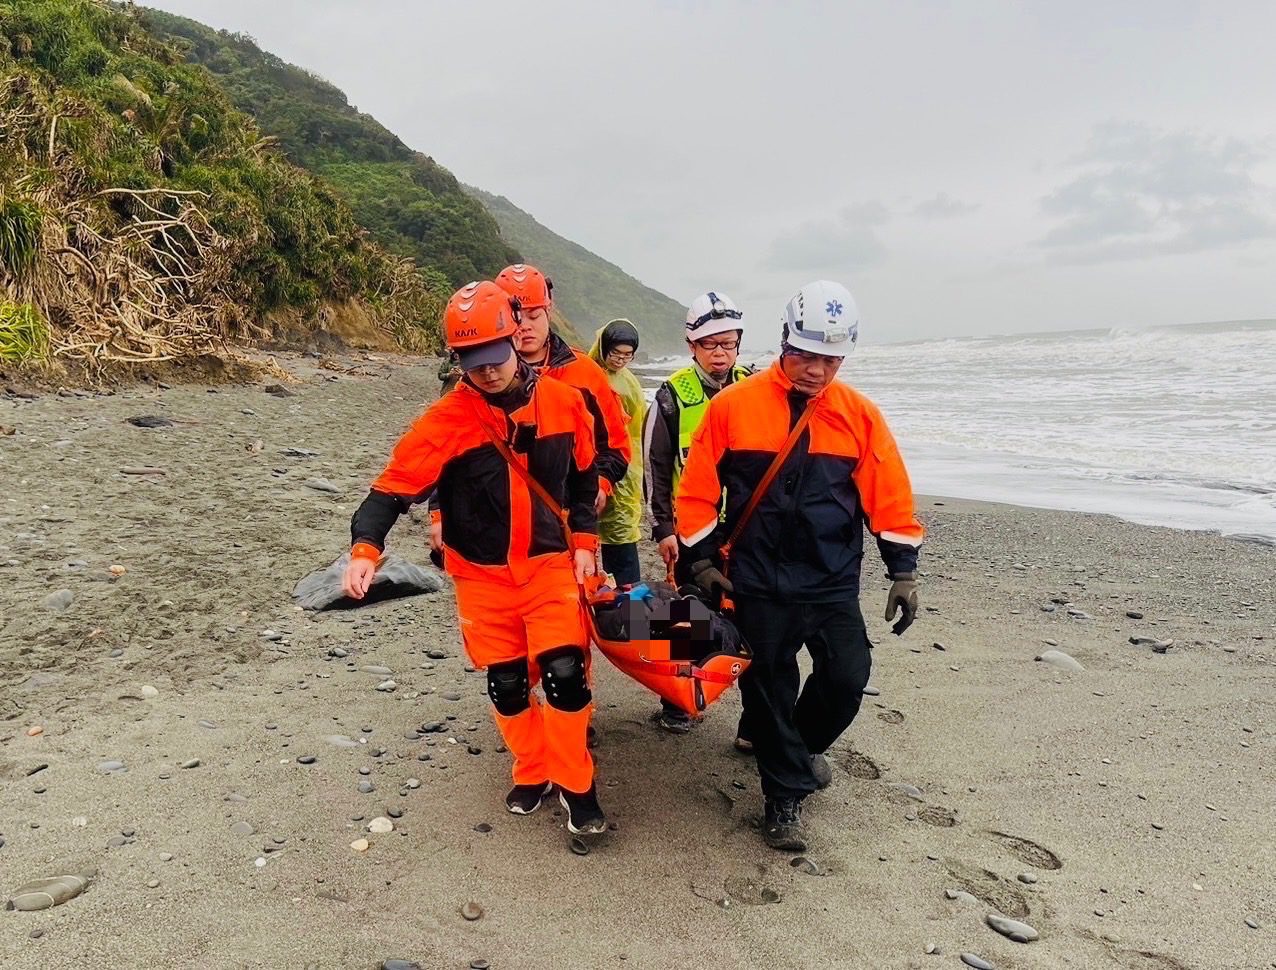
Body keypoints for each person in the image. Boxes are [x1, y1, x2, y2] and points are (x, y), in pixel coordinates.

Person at [343, 280, 608, 835]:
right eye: (472, 361)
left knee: (565, 674)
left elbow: (586, 479)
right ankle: (532, 768)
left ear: (517, 340)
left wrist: (585, 542)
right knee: (508, 682)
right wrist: (366, 549)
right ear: (457, 359)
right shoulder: (447, 419)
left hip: (549, 566)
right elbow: (391, 490)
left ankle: (576, 783)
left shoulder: (565, 403)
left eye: (494, 357)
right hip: (482, 577)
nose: (487, 372)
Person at [675, 280, 924, 852]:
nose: (816, 369)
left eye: (830, 358)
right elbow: (696, 493)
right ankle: (783, 796)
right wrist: (702, 561)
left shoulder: (860, 416)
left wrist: (903, 570)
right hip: (756, 578)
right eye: (807, 354)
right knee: (768, 689)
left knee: (846, 678)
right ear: (785, 340)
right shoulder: (732, 407)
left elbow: (888, 495)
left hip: (831, 578)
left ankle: (793, 751)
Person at [641, 290, 753, 733]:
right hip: (692, 532)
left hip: (746, 531)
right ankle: (678, 704)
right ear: (692, 346)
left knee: (753, 620)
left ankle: (753, 722)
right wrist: (663, 528)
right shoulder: (671, 397)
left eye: (728, 342)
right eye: (710, 344)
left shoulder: (756, 385)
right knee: (685, 617)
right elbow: (655, 467)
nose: (721, 353)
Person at [494, 264, 632, 516]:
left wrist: (600, 484)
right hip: (499, 510)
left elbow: (615, 444)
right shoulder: (487, 374)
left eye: (534, 316)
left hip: (566, 512)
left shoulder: (585, 372)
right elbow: (453, 446)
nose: (524, 325)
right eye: (516, 316)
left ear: (549, 310)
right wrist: (438, 512)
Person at [586, 318, 646, 586]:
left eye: (627, 355)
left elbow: (637, 428)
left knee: (620, 535)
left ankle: (628, 610)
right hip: (587, 462)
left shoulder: (629, 383)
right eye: (615, 353)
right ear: (603, 348)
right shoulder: (586, 373)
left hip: (624, 466)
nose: (621, 360)